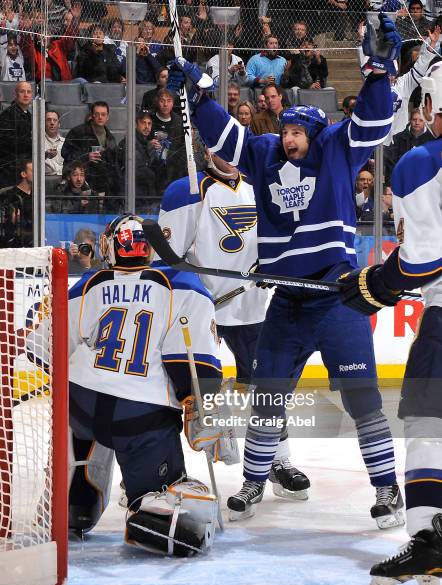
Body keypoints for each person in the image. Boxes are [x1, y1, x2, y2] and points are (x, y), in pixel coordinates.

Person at [167, 13, 405, 526]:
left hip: (337, 299)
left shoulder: (337, 150)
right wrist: (200, 96)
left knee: (362, 399)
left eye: (298, 132)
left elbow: (372, 120)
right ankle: (254, 483)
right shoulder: (265, 155)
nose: (289, 137)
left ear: (315, 135)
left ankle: (388, 490)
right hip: (288, 305)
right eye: (288, 130)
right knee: (268, 398)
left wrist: (379, 72)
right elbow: (226, 139)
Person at [339, 61, 442, 585]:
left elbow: (424, 262)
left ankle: (430, 550)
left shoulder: (422, 162)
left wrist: (375, 284)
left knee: (429, 428)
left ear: (429, 106)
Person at [157, 148, 311, 503]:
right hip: (196, 313)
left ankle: (277, 460)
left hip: (251, 308)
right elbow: (164, 260)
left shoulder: (259, 187)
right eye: (219, 150)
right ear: (206, 150)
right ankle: (156, 468)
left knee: (268, 388)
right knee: (174, 390)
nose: (229, 157)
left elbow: (280, 237)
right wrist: (192, 291)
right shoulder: (186, 191)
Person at [67, 214, 222, 555]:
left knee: (80, 438)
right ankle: (150, 512)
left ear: (110, 246)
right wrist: (201, 404)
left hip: (80, 405)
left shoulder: (87, 284)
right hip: (140, 417)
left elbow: (47, 347)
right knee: (175, 516)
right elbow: (190, 363)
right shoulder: (183, 285)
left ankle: (75, 506)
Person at [61, 101, 120, 200]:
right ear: (92, 115)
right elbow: (65, 152)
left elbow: (114, 163)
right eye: (97, 114)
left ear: (108, 117)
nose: (100, 117)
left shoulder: (110, 138)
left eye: (103, 114)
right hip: (83, 183)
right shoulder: (78, 132)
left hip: (104, 184)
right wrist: (86, 157)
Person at [117, 110, 159, 211]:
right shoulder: (130, 143)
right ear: (136, 124)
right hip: (135, 198)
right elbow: (139, 170)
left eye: (149, 123)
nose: (147, 126)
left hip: (145, 197)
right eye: (143, 123)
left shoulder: (145, 143)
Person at [384, 108, 434, 184]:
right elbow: (391, 164)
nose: (417, 122)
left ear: (425, 122)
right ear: (410, 120)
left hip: (426, 186)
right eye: (414, 119)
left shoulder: (433, 140)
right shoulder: (397, 138)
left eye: (421, 120)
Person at [0, 81, 32, 187]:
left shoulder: (29, 116)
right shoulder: (7, 115)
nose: (26, 95)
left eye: (29, 92)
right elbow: (7, 142)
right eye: (22, 91)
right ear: (16, 94)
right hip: (10, 169)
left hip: (23, 164)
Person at [0, 158, 32, 248]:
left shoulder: (39, 195)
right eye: (33, 171)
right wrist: (11, 219)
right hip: (15, 241)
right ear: (23, 174)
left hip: (34, 238)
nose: (37, 174)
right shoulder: (9, 195)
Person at [45, 110, 65, 176]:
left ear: (59, 124)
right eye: (48, 120)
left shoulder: (65, 142)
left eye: (55, 120)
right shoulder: (37, 142)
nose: (52, 123)